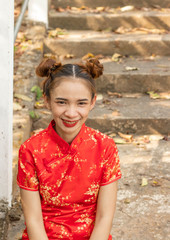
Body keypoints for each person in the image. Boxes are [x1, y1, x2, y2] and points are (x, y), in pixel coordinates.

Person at [17, 58, 121, 240]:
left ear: (92, 102)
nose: (71, 113)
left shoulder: (105, 147)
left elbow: (105, 217)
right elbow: (33, 219)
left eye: (81, 103)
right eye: (62, 102)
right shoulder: (31, 150)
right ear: (47, 101)